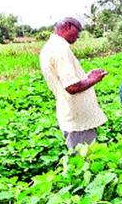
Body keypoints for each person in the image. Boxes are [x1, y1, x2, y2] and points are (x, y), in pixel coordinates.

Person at [40, 17, 107, 149]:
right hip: (78, 118)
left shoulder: (50, 46)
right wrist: (94, 79)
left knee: (80, 157)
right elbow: (71, 86)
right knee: (84, 159)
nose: (78, 36)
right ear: (68, 27)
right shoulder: (61, 49)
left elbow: (64, 80)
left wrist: (86, 76)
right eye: (77, 31)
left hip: (70, 113)